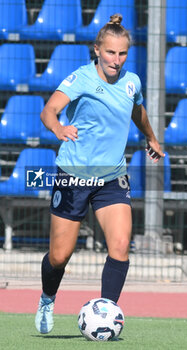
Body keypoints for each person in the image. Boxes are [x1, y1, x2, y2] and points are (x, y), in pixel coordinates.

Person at [35, 13, 164, 334]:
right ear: (97, 50)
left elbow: (138, 110)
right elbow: (48, 110)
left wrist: (150, 136)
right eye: (110, 52)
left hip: (112, 177)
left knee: (120, 246)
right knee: (59, 255)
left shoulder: (131, 81)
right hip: (74, 175)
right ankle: (47, 299)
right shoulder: (81, 78)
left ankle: (105, 316)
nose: (116, 60)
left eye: (122, 54)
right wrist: (59, 127)